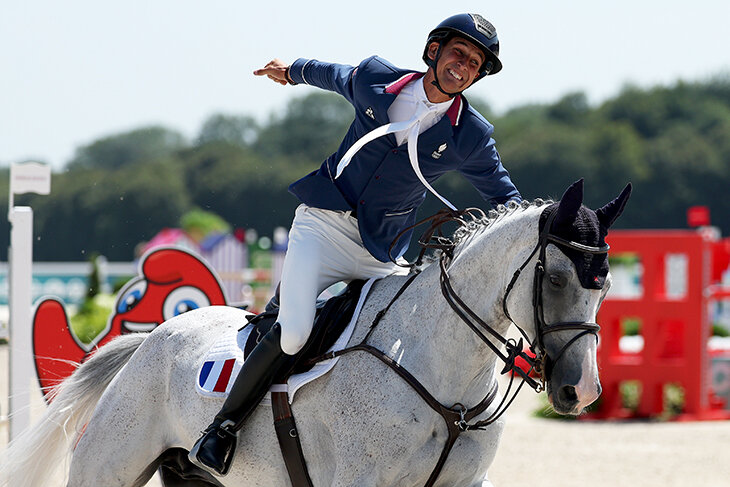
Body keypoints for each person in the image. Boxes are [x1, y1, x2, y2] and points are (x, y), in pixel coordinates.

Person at [189, 13, 522, 476]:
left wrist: (535, 230)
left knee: (399, 343)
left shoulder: (471, 136)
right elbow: (333, 74)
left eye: (474, 63)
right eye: (457, 53)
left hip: (381, 251)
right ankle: (222, 427)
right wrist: (291, 69)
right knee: (295, 333)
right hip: (322, 228)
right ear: (434, 51)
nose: (462, 66)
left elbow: (505, 197)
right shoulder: (375, 79)